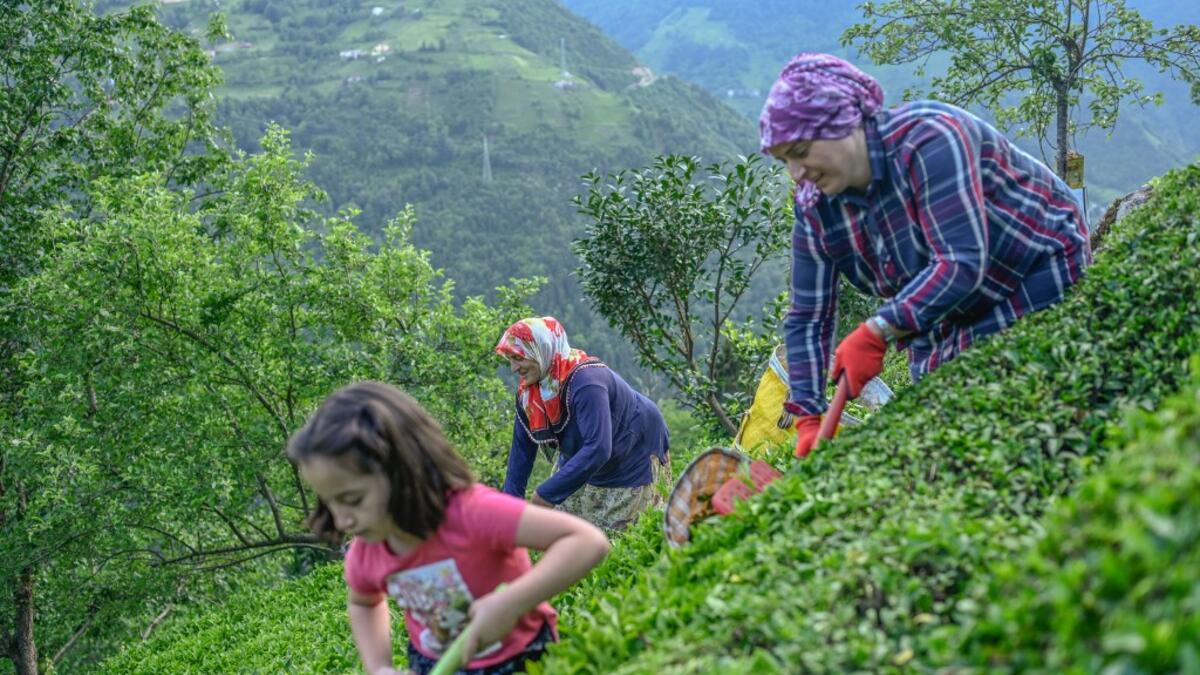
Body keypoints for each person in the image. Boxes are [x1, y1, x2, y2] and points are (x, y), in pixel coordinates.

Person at [760, 53, 1091, 457]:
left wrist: (877, 330)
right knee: (947, 435)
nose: (797, 172)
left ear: (844, 124)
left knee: (1022, 418)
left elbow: (961, 262)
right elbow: (808, 316)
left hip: (1030, 268)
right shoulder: (816, 208)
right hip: (944, 314)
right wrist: (809, 415)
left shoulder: (931, 138)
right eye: (785, 160)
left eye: (801, 150)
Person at [287, 381, 610, 675]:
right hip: (433, 661)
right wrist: (379, 667)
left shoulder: (471, 512)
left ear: (403, 471)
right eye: (331, 504)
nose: (343, 521)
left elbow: (586, 541)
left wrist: (509, 604)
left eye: (353, 499)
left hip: (520, 655)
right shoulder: (368, 549)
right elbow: (363, 602)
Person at [495, 316, 671, 531]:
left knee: (618, 538)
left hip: (633, 447)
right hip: (585, 450)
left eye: (519, 358)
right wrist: (509, 512)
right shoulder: (530, 394)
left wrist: (544, 495)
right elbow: (521, 453)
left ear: (541, 350)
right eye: (510, 359)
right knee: (563, 531)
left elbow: (598, 448)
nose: (513, 368)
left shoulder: (587, 382)